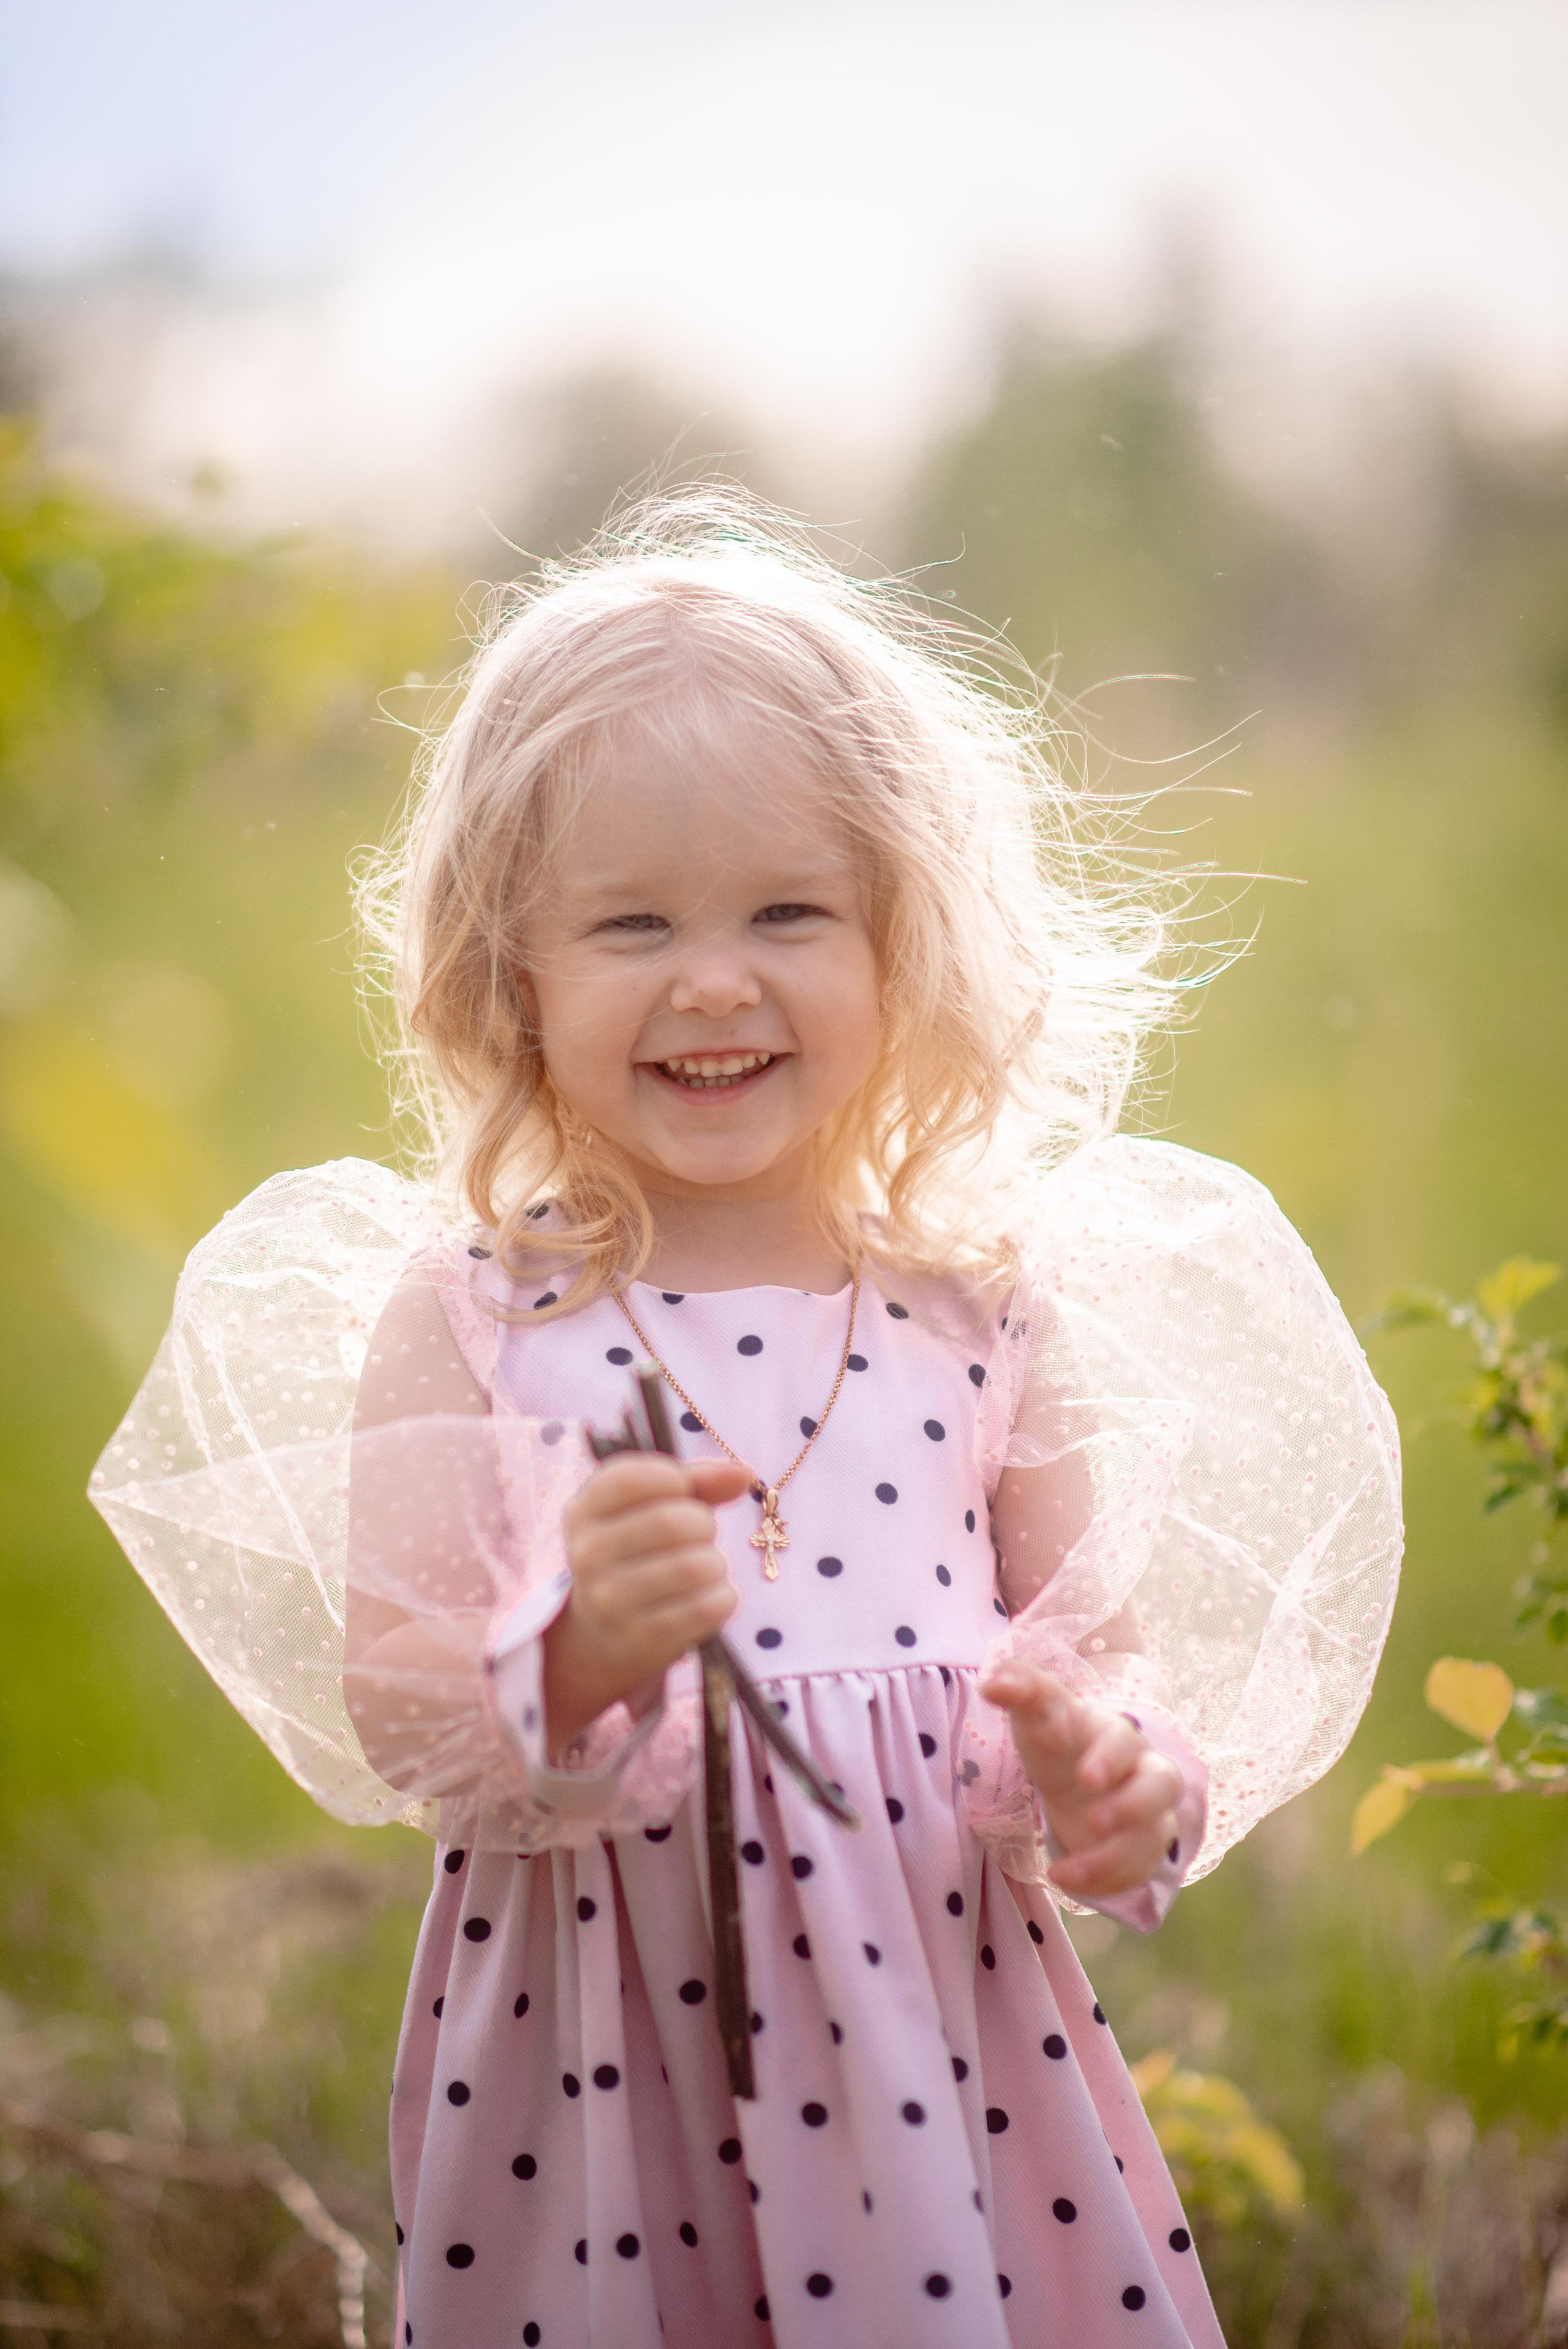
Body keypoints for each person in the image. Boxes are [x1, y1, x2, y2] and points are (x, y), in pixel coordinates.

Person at [91, 494, 1402, 2348]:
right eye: (632, 922)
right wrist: (573, 1657)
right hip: (601, 2075)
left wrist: (1109, 1782)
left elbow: (1083, 1668)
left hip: (941, 2056)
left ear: (903, 944)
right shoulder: (480, 1318)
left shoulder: (980, 1313)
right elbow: (395, 1697)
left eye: (790, 911)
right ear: (510, 972)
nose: (714, 978)